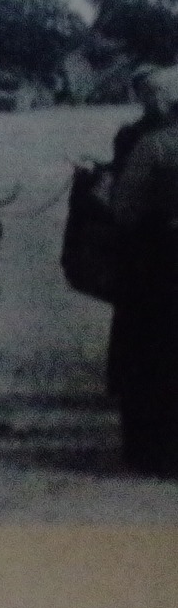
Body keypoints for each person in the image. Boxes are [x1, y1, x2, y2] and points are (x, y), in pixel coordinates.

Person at [108, 66, 178, 476]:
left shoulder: (154, 147)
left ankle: (154, 449)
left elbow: (123, 209)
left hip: (161, 261)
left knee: (151, 350)